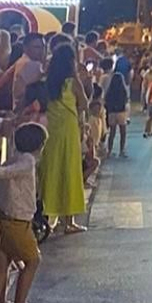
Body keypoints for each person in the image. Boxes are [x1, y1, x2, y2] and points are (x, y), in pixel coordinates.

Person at [0, 121, 48, 303]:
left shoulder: (11, 158)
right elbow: (11, 172)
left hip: (2, 218)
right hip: (18, 221)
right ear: (39, 145)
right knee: (33, 260)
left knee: (2, 262)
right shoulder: (28, 161)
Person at [39, 44, 88, 233]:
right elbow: (84, 102)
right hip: (68, 128)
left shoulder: (46, 80)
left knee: (50, 169)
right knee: (69, 171)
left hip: (50, 129)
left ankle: (48, 214)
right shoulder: (73, 82)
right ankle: (69, 221)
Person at [104, 58, 130, 158]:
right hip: (121, 112)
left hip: (112, 112)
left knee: (112, 132)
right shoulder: (123, 91)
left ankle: (109, 151)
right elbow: (126, 100)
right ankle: (122, 150)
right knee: (123, 132)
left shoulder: (110, 91)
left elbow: (107, 99)